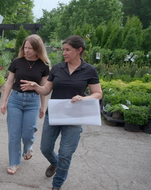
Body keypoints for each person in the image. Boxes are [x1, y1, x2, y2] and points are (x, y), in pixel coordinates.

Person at [20, 35, 103, 190]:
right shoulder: (58, 68)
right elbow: (46, 90)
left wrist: (84, 98)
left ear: (79, 50)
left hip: (74, 116)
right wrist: (35, 86)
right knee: (45, 148)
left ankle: (57, 184)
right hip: (55, 114)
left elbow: (98, 93)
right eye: (63, 49)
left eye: (67, 50)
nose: (64, 53)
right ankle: (54, 162)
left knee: (65, 154)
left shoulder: (89, 70)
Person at [1, 34, 50, 175]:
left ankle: (28, 147)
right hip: (15, 100)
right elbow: (9, 82)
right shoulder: (17, 62)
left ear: (38, 49)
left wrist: (42, 106)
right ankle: (14, 163)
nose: (27, 50)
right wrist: (4, 101)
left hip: (33, 102)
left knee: (29, 132)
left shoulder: (43, 66)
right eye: (25, 47)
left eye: (30, 48)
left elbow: (44, 88)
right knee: (14, 134)